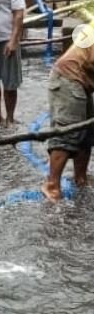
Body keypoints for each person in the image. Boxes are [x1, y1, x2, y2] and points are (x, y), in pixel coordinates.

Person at [41, 34, 94, 203]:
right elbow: (91, 61)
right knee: (68, 133)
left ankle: (80, 178)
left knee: (86, 133)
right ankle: (52, 184)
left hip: (83, 81)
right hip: (68, 78)